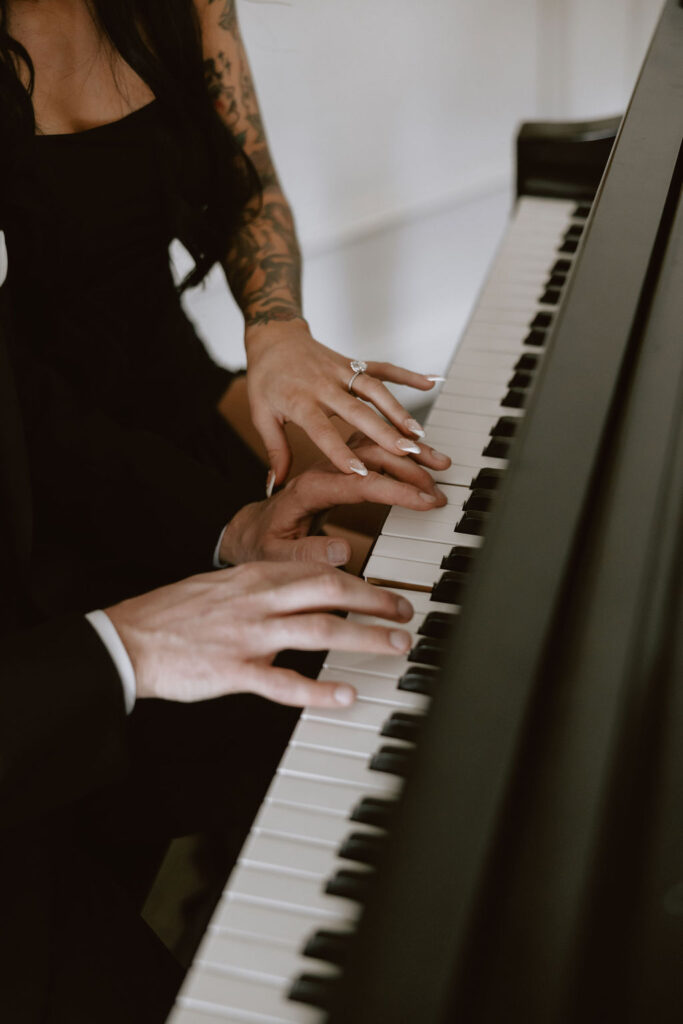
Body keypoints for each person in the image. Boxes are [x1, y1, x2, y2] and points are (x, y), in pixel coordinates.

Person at [0, 0, 450, 511]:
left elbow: (249, 190)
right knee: (345, 571)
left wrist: (276, 332)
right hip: (34, 464)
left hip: (178, 386)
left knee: (428, 510)